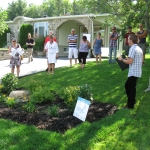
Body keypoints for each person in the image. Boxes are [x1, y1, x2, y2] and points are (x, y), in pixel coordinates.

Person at [118, 34, 143, 109]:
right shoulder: (139, 48)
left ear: (131, 40)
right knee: (130, 86)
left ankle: (130, 105)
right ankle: (133, 101)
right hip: (137, 71)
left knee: (130, 88)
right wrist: (126, 59)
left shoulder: (132, 48)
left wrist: (121, 59)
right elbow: (139, 60)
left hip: (133, 72)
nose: (127, 40)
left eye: (128, 39)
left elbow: (129, 61)